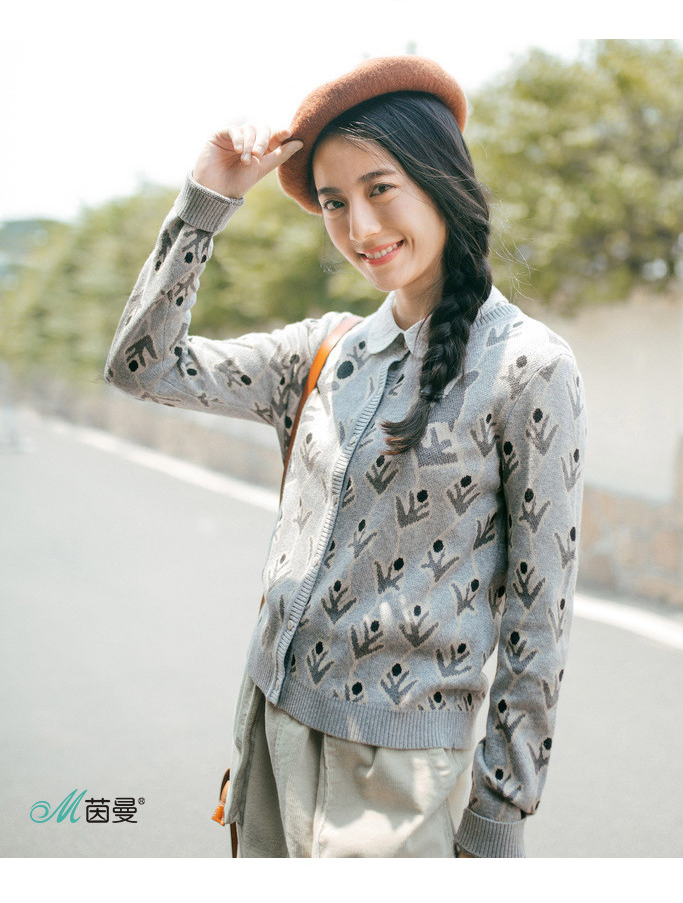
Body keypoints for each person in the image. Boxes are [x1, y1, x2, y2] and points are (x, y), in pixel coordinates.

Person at [105, 56, 587, 858]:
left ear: (440, 179)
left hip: (396, 775)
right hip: (268, 732)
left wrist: (500, 815)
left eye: (380, 188)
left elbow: (541, 618)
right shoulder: (324, 352)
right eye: (334, 202)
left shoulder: (529, 367)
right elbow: (141, 365)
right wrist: (207, 201)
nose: (360, 228)